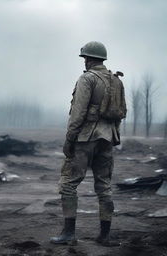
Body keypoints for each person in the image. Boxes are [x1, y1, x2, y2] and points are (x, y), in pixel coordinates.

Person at [50, 41, 127, 246]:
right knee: (104, 186)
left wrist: (70, 139)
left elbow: (78, 113)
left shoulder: (87, 79)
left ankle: (68, 234)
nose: (84, 61)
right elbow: (121, 113)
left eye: (85, 58)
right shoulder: (116, 80)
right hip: (108, 138)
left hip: (86, 137)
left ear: (90, 59)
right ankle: (105, 235)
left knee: (68, 184)